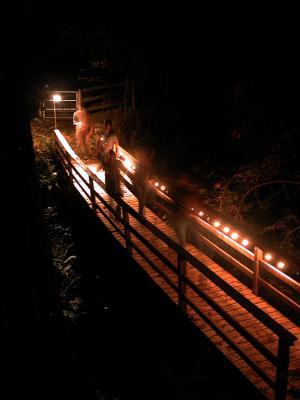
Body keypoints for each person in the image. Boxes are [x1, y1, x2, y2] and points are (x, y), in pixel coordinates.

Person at [105, 149, 123, 219]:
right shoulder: (108, 163)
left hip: (116, 181)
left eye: (114, 155)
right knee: (112, 196)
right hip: (111, 182)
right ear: (110, 156)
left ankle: (118, 214)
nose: (113, 157)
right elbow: (106, 173)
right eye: (112, 156)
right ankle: (113, 213)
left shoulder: (117, 162)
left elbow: (123, 169)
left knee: (118, 197)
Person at [133, 149, 152, 216]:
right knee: (141, 198)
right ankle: (141, 213)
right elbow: (137, 173)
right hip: (140, 182)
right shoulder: (140, 164)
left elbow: (148, 172)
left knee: (143, 198)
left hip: (144, 182)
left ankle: (142, 213)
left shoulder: (146, 164)